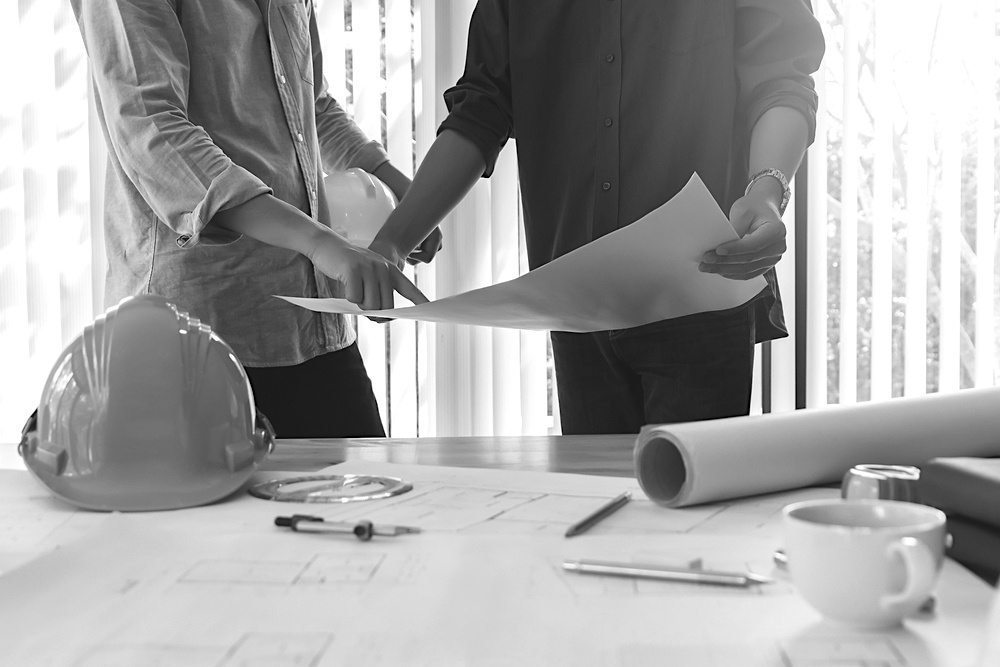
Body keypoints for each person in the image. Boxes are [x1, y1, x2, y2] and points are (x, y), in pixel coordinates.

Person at [369, 0, 825, 434]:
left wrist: (767, 190)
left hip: (701, 290)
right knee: (599, 503)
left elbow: (780, 79)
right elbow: (480, 109)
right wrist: (394, 240)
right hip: (578, 303)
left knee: (689, 506)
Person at [71, 0, 440, 438]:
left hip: (311, 319)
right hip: (197, 331)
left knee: (367, 501)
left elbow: (311, 105)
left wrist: (405, 194)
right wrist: (321, 243)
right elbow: (151, 127)